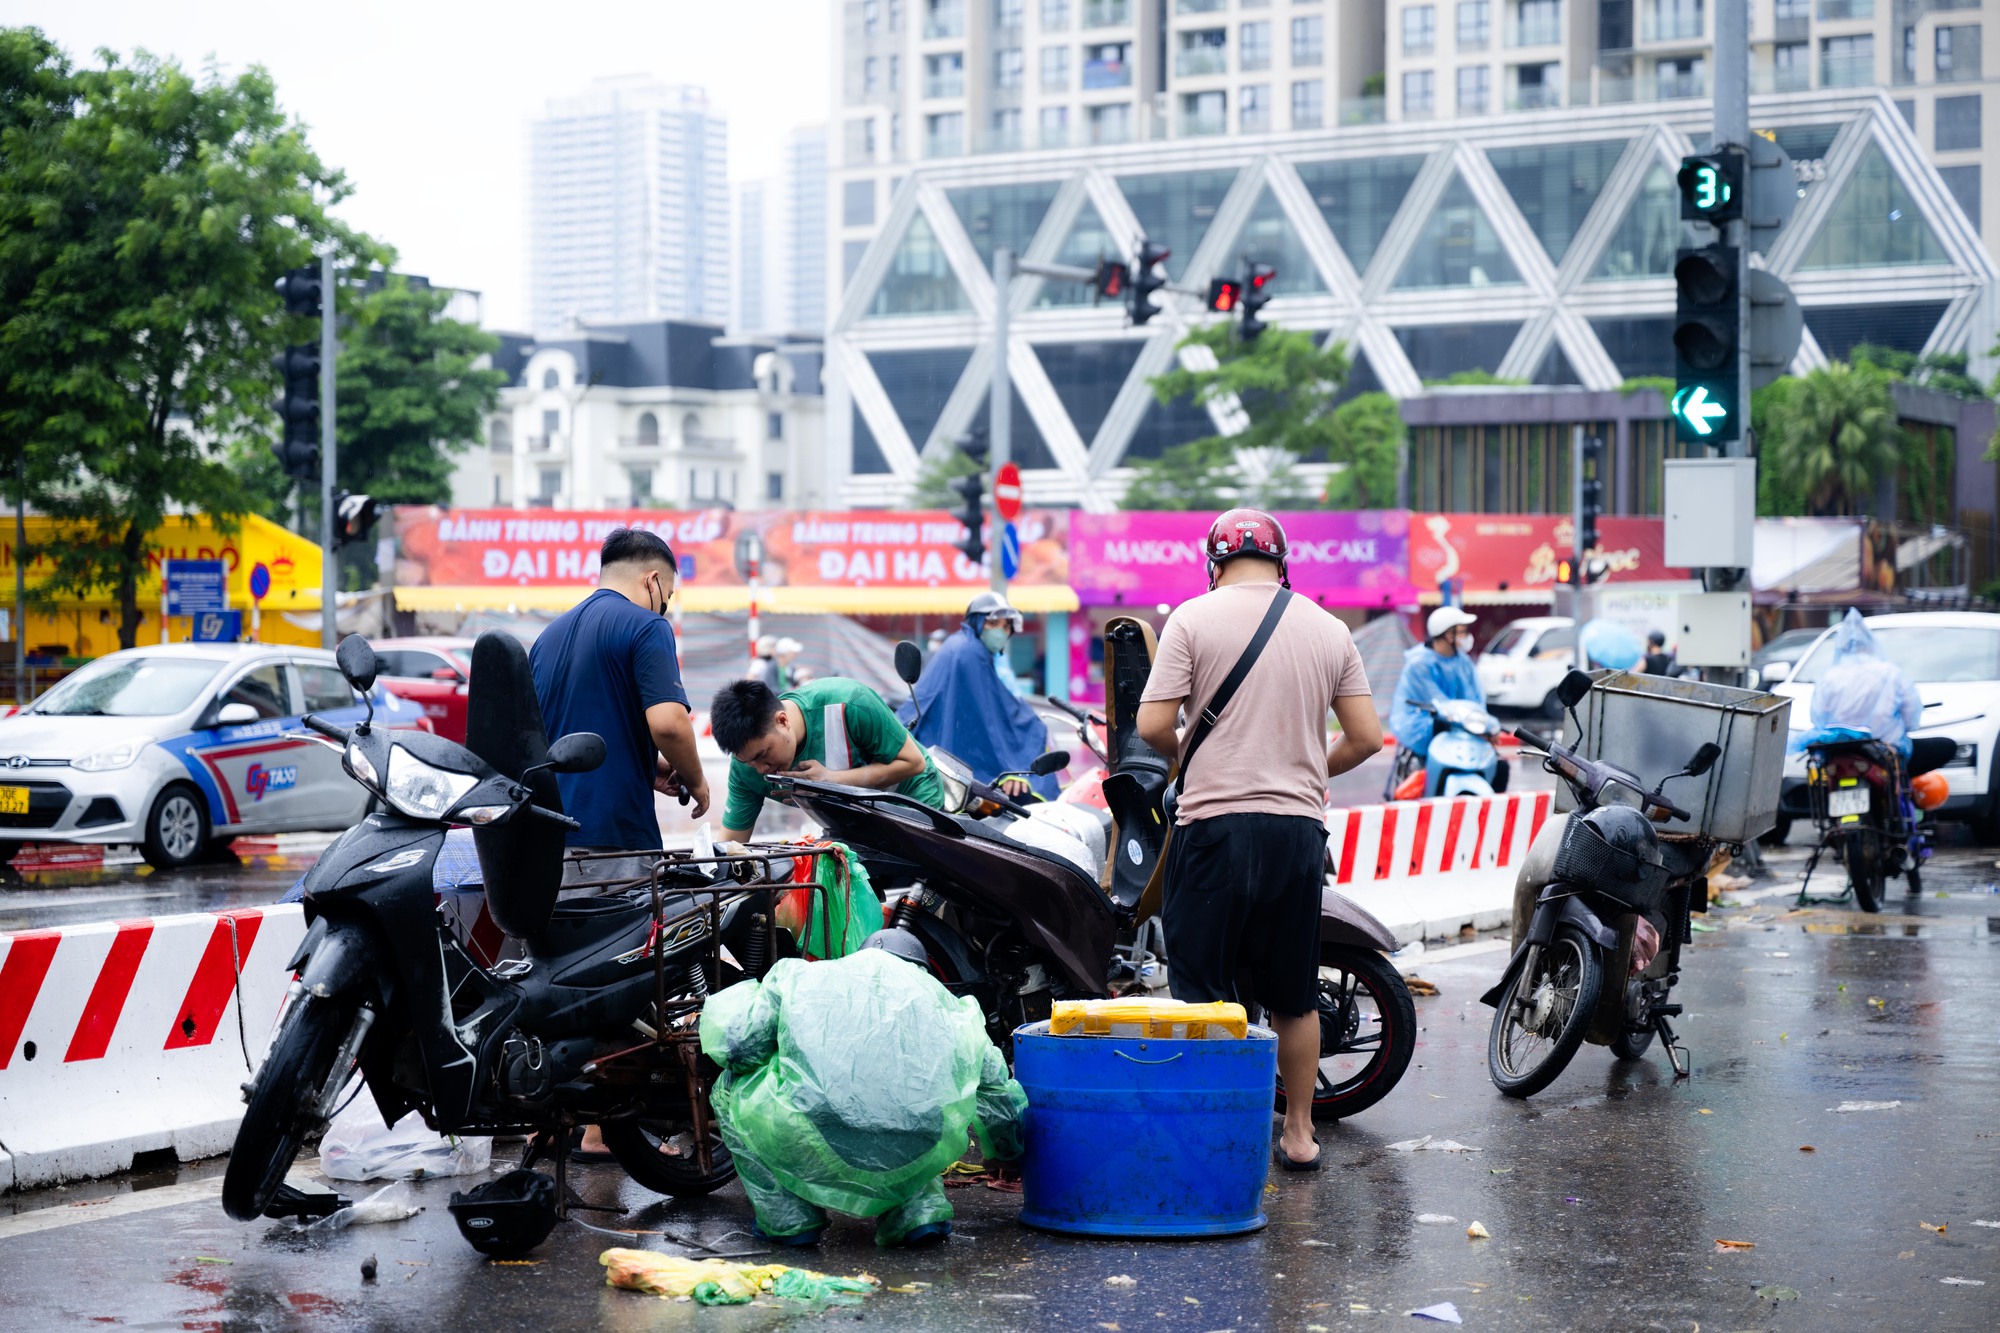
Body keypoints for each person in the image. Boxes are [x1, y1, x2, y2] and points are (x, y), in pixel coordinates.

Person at [1134, 508, 1382, 1173]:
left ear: (1213, 561)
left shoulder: (1190, 618)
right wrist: (1303, 769)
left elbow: (1153, 722)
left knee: (1202, 991)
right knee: (1294, 992)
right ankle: (1299, 1134)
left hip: (1213, 825)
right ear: (1283, 563)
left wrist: (1188, 753)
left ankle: (1213, 1135)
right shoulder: (1329, 628)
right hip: (1297, 831)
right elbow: (1367, 737)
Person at [529, 527, 709, 1164]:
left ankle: (546, 1121)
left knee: (556, 980)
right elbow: (668, 721)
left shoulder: (548, 638)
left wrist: (643, 767)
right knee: (620, 979)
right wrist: (694, 777)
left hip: (546, 842)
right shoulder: (645, 627)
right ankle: (605, 1128)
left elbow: (573, 733)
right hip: (614, 842)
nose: (668, 605)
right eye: (670, 594)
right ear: (656, 582)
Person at [698, 944, 1026, 1248]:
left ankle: (789, 1219)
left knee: (728, 1088)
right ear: (921, 969)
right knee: (914, 1112)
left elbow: (739, 1048)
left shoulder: (801, 977)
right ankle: (917, 1210)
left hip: (814, 1143)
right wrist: (1005, 1154)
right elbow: (997, 1091)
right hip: (915, 1151)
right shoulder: (953, 1010)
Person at [712, 675, 948, 841]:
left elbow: (913, 763)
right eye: (748, 761)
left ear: (782, 721)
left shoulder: (850, 702)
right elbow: (732, 844)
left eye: (763, 755)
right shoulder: (747, 766)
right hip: (853, 817)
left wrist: (833, 780)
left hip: (910, 798)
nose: (761, 769)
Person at [901, 592, 1053, 799]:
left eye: (1006, 626)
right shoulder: (970, 651)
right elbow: (989, 719)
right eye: (994, 623)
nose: (1001, 630)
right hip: (939, 746)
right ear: (977, 622)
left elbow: (993, 706)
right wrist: (1010, 767)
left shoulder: (965, 644)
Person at [1388, 606, 1484, 760]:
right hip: (1424, 726)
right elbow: (1440, 704)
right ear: (1448, 635)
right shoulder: (1419, 664)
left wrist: (1482, 722)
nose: (1467, 636)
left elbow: (1475, 698)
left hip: (1456, 721)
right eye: (1462, 631)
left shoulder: (1462, 661)